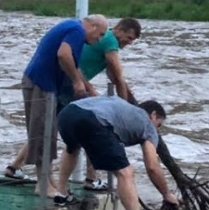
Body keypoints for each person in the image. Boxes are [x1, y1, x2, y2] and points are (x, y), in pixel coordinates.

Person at [5, 14, 108, 196]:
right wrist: (77, 82)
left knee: (48, 132)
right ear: (92, 26)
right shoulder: (77, 30)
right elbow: (63, 54)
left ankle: (47, 181)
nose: (98, 39)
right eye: (100, 34)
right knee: (42, 133)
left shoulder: (72, 27)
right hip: (41, 83)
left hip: (42, 84)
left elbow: (73, 64)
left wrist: (86, 87)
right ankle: (43, 184)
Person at [56, 96, 179, 210]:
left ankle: (61, 192)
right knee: (125, 173)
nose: (157, 129)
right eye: (159, 124)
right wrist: (166, 194)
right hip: (93, 120)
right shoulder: (148, 124)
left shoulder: (120, 105)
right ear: (153, 115)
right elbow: (152, 167)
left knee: (72, 147)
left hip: (67, 114)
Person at [53, 17, 143, 189]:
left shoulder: (106, 41)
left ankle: (15, 166)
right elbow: (118, 76)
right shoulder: (110, 41)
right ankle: (89, 179)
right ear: (120, 30)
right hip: (72, 84)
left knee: (56, 129)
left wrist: (128, 95)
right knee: (90, 129)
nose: (130, 43)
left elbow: (114, 77)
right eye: (129, 38)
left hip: (71, 83)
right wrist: (122, 106)